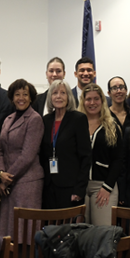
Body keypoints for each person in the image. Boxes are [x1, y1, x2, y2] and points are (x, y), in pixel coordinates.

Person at [0, 79, 44, 236]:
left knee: (25, 231)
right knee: (8, 231)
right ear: (12, 98)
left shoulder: (34, 119)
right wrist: (1, 173)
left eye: (25, 94)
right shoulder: (8, 119)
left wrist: (7, 178)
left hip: (27, 183)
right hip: (8, 183)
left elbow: (27, 155)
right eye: (17, 94)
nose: (21, 98)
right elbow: (0, 150)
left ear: (31, 98)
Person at [39, 80, 90, 209]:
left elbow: (86, 157)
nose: (58, 96)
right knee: (50, 227)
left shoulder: (78, 119)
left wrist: (79, 189)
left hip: (70, 187)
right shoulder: (45, 120)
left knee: (67, 228)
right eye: (55, 93)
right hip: (48, 186)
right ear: (50, 97)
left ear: (69, 97)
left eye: (63, 93)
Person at [78, 84, 124, 225]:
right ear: (83, 101)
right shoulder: (76, 124)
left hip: (103, 186)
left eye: (96, 99)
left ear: (103, 101)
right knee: (80, 233)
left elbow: (118, 159)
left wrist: (107, 187)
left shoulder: (112, 125)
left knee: (102, 233)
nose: (92, 103)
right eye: (88, 99)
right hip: (81, 186)